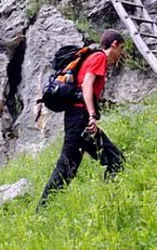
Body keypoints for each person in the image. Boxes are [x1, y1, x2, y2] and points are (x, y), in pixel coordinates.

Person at [38, 29, 127, 205]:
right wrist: (92, 115)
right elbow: (87, 84)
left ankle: (44, 207)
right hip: (80, 117)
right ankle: (111, 201)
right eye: (121, 48)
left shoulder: (91, 57)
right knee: (115, 160)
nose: (121, 53)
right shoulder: (99, 57)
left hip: (75, 117)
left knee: (68, 167)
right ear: (114, 44)